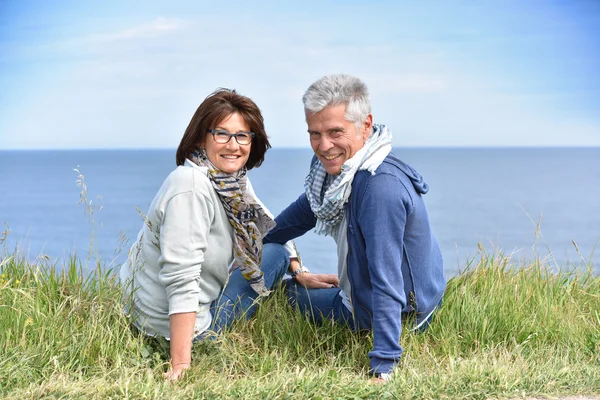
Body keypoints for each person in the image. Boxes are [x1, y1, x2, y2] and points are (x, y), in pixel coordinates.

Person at [264, 74, 447, 382]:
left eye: (336, 132)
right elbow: (296, 218)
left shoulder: (379, 188)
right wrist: (251, 243)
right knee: (295, 283)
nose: (324, 146)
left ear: (365, 124)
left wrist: (383, 365)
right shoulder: (336, 174)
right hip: (371, 296)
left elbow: (386, 278)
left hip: (402, 315)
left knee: (287, 296)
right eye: (314, 134)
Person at [120, 88, 304, 381]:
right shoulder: (191, 188)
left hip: (144, 312)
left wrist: (299, 270)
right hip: (175, 331)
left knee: (281, 252)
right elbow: (181, 276)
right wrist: (181, 365)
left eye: (243, 135)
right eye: (222, 134)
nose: (234, 145)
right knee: (276, 255)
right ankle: (276, 299)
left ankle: (286, 283)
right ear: (200, 138)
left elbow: (263, 222)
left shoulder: (230, 182)